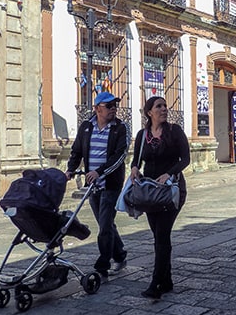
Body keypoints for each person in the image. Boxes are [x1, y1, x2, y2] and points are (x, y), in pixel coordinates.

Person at [130, 96, 191, 298]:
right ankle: (167, 280)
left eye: (165, 105)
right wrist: (134, 169)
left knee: (163, 234)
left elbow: (186, 159)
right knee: (158, 235)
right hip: (150, 192)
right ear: (149, 112)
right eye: (159, 106)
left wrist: (170, 173)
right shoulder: (142, 134)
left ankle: (156, 283)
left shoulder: (174, 131)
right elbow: (136, 159)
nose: (164, 109)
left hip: (171, 190)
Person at [66, 91, 129, 278]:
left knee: (105, 225)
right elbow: (76, 150)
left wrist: (99, 172)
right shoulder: (86, 127)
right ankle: (120, 254)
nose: (113, 109)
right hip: (92, 185)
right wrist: (70, 169)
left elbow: (119, 156)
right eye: (109, 106)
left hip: (111, 184)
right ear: (97, 109)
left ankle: (102, 265)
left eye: (115, 106)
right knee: (106, 223)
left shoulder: (120, 128)